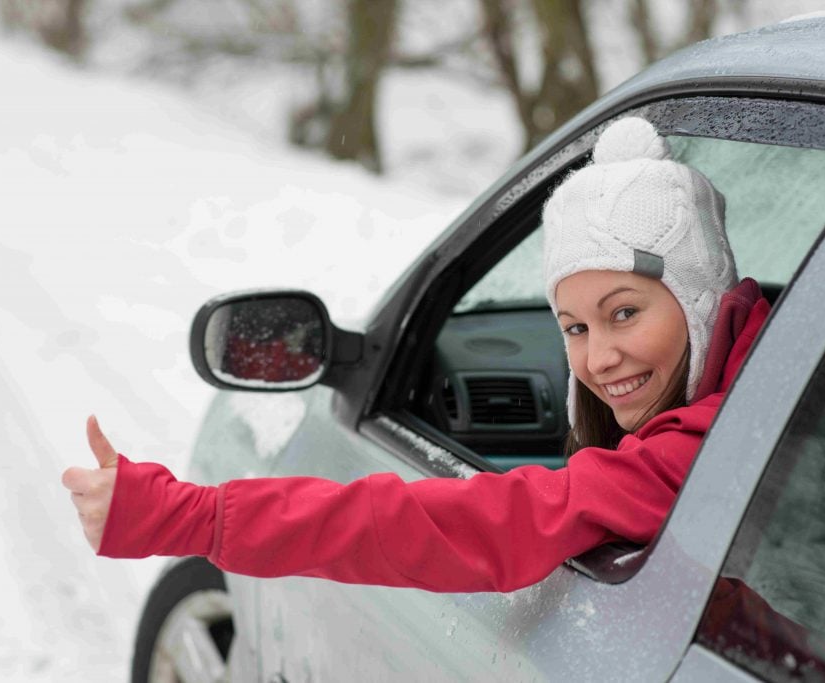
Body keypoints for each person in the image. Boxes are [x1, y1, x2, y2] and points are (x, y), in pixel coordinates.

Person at [61, 117, 770, 593]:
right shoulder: (787, 371)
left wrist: (193, 517)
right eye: (575, 327)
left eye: (624, 312)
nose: (601, 357)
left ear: (700, 295)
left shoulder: (694, 455)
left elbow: (448, 524)